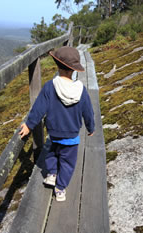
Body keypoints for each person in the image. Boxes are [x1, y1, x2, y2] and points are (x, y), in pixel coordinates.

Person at [19, 46, 95, 202]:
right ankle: (60, 188)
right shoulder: (81, 91)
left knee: (52, 153)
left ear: (57, 65)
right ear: (74, 70)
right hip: (72, 137)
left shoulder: (49, 86)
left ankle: (52, 174)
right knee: (67, 164)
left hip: (54, 133)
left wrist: (29, 125)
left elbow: (38, 109)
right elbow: (88, 112)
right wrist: (90, 127)